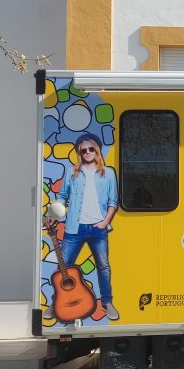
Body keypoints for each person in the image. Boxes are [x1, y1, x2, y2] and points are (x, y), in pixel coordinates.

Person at [46, 133, 119, 321]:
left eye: (91, 149)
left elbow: (113, 202)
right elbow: (62, 197)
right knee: (63, 268)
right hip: (74, 228)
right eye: (83, 150)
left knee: (103, 266)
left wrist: (105, 222)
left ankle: (107, 302)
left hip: (98, 228)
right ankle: (56, 302)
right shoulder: (72, 172)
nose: (87, 152)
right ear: (79, 152)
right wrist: (52, 215)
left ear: (97, 150)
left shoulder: (108, 173)